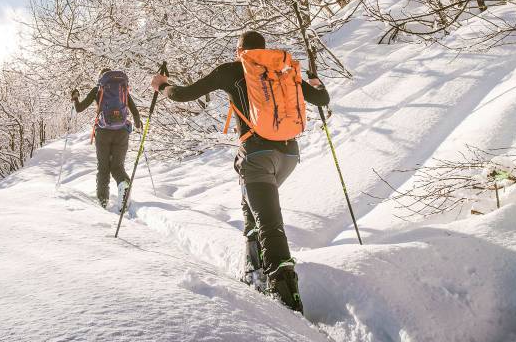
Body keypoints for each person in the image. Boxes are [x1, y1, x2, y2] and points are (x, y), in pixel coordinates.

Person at [150, 31, 329, 312]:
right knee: (253, 207)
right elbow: (321, 99)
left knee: (269, 222)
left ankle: (285, 294)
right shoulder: (280, 71)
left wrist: (162, 86)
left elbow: (183, 95)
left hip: (257, 156)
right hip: (289, 154)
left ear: (240, 51)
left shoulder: (232, 71)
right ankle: (254, 270)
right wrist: (317, 85)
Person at [72, 68, 143, 210]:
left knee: (103, 168)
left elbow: (79, 108)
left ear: (101, 78)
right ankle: (124, 186)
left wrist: (75, 98)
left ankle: (103, 200)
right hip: (122, 132)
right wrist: (138, 125)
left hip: (103, 132)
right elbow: (135, 112)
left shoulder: (98, 89)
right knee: (117, 166)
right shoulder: (123, 89)